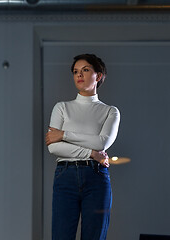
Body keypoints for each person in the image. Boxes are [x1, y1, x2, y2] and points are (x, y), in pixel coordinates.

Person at [45, 53, 120, 240]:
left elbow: (102, 142)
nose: (79, 75)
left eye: (85, 70)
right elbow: (53, 148)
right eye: (76, 71)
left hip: (96, 177)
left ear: (99, 75)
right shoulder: (61, 107)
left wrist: (63, 135)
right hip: (65, 176)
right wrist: (91, 152)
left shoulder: (110, 111)